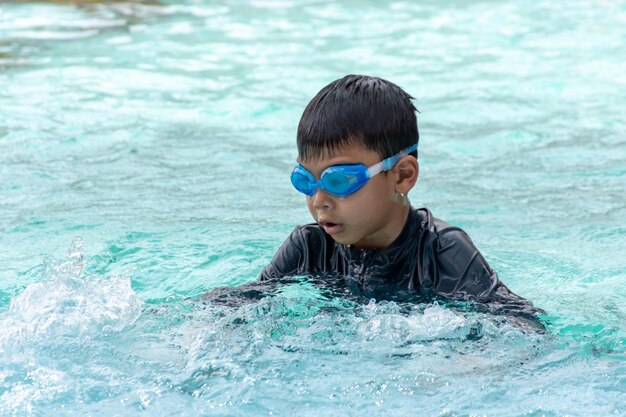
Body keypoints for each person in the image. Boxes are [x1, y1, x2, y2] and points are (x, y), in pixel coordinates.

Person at [257, 74, 541, 319]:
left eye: (339, 180)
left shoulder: (442, 252)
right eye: (304, 180)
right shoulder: (309, 247)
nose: (319, 200)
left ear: (402, 176)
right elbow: (242, 305)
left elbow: (521, 322)